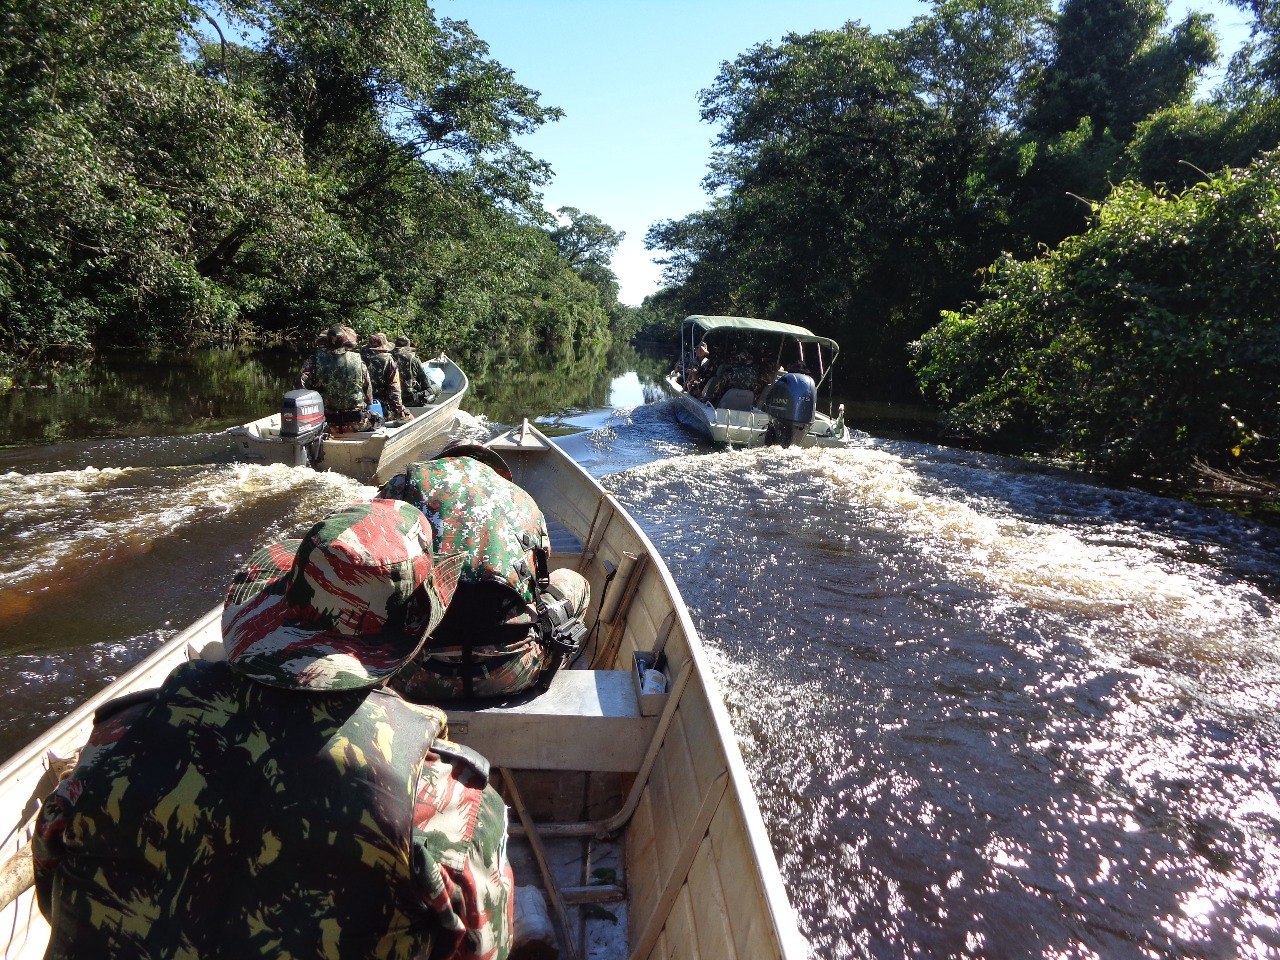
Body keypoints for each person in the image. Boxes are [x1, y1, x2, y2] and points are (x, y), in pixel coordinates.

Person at [32, 499, 514, 960]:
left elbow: (54, 896)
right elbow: (481, 948)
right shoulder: (443, 801)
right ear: (411, 635)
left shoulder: (117, 739)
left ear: (277, 610)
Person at [379, 444, 590, 701]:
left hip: (411, 674)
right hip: (510, 672)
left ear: (442, 464)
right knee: (576, 582)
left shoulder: (406, 484)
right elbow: (538, 575)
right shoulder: (522, 498)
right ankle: (551, 665)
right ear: (493, 471)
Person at [298, 324, 374, 433]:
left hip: (325, 425)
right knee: (377, 419)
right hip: (356, 424)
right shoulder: (358, 360)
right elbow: (368, 394)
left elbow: (300, 388)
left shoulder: (313, 360)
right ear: (345, 341)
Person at [362, 333, 408, 421]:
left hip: (361, 410)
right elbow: (394, 388)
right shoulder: (387, 360)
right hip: (381, 409)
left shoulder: (358, 358)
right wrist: (399, 411)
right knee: (408, 417)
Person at [394, 335, 435, 406]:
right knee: (436, 388)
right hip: (410, 400)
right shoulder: (414, 359)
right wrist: (429, 390)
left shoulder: (387, 358)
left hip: (393, 401)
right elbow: (424, 381)